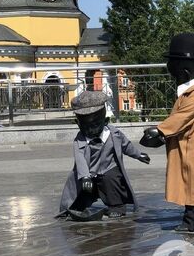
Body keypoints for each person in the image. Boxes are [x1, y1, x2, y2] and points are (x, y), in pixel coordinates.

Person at [140, 32, 194, 234]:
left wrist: (160, 130)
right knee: (190, 185)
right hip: (188, 146)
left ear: (184, 70)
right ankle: (191, 219)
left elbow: (182, 117)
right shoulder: (192, 92)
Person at [58, 91, 151, 221]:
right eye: (86, 126)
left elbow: (126, 145)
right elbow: (80, 160)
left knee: (112, 179)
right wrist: (85, 176)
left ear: (105, 121)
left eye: (96, 125)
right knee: (80, 187)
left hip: (108, 168)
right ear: (78, 123)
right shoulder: (79, 140)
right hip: (88, 173)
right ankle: (75, 206)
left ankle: (117, 206)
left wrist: (138, 154)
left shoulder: (114, 134)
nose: (91, 130)